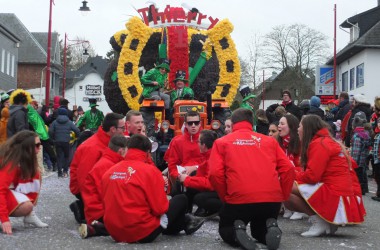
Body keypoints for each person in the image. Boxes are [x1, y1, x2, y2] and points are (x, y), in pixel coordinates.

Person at [209, 108, 295, 250]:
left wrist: (225, 196)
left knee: (225, 228)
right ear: (252, 123)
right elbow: (288, 169)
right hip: (270, 200)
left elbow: (214, 174)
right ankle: (270, 227)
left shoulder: (222, 142)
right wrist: (282, 196)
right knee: (259, 230)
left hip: (239, 199)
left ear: (233, 123)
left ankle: (236, 232)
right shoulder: (269, 141)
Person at [101, 134, 205, 243]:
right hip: (141, 232)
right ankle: (184, 222)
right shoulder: (150, 171)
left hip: (114, 232)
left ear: (128, 148)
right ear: (147, 152)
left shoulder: (110, 172)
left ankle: (184, 222)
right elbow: (160, 209)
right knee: (181, 199)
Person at [284, 115, 366, 237]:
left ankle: (319, 221)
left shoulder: (320, 143)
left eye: (300, 125)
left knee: (285, 189)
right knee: (288, 188)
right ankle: (327, 222)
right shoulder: (327, 141)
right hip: (342, 194)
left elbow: (312, 177)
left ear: (307, 128)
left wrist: (291, 173)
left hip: (335, 194)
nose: (297, 129)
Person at [69, 113, 125, 224]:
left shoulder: (107, 142)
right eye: (122, 128)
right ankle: (82, 207)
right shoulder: (92, 148)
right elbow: (84, 181)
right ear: (113, 129)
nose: (124, 131)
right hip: (85, 189)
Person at [79, 134, 129, 239]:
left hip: (98, 210)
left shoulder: (108, 162)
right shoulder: (107, 166)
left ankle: (96, 228)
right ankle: (96, 228)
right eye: (127, 151)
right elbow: (108, 196)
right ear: (121, 151)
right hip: (99, 212)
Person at [0, 130, 48, 235]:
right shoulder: (10, 161)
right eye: (37, 145)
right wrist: (4, 219)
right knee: (26, 206)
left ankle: (30, 215)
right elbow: (0, 190)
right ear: (27, 147)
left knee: (34, 175)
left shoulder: (19, 157)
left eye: (40, 144)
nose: (39, 147)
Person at [178, 130, 221, 217]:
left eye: (198, 141)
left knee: (199, 198)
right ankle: (186, 211)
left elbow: (210, 183)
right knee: (191, 185)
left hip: (219, 190)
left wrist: (187, 179)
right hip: (215, 187)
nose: (197, 143)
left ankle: (222, 209)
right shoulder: (209, 155)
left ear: (204, 145)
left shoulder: (213, 159)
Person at [166, 110, 203, 197]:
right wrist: (178, 177)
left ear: (200, 124)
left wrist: (195, 168)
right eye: (190, 123)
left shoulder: (206, 140)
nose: (193, 126)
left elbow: (211, 163)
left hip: (200, 177)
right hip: (181, 177)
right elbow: (172, 165)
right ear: (185, 124)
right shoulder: (176, 141)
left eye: (196, 123)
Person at [49, 108, 80, 178]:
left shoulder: (55, 122)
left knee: (59, 156)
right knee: (66, 156)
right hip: (66, 141)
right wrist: (78, 137)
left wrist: (52, 138)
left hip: (57, 141)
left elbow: (50, 131)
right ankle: (65, 171)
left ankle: (59, 172)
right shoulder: (69, 122)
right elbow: (76, 130)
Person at [350, 111, 371, 195]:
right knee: (363, 174)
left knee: (357, 176)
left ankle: (359, 189)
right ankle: (364, 188)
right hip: (363, 159)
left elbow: (356, 151)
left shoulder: (357, 135)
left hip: (357, 162)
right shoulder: (366, 134)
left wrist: (353, 163)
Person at [372, 117, 380, 201]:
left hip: (379, 158)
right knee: (377, 176)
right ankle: (378, 193)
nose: (379, 124)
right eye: (378, 123)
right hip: (376, 158)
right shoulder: (377, 134)